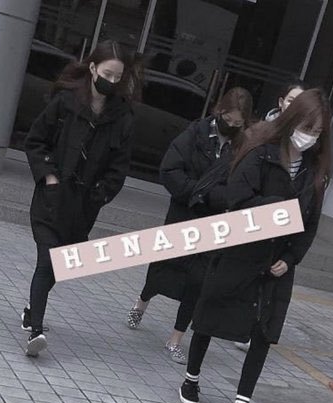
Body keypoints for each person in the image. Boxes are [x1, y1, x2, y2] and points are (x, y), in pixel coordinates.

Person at [178, 88, 332, 403]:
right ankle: (191, 378)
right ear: (292, 120)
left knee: (264, 331)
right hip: (241, 253)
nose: (310, 136)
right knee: (210, 315)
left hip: (276, 264)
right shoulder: (261, 153)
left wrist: (290, 258)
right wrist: (278, 209)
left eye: (318, 131)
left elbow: (310, 224)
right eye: (307, 127)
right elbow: (238, 201)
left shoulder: (314, 172)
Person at [22, 40, 142, 356]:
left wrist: (99, 196)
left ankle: (31, 309)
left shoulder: (123, 117)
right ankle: (35, 331)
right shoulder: (66, 102)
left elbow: (119, 167)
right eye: (107, 74)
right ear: (92, 68)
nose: (111, 81)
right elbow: (35, 141)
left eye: (118, 77)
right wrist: (48, 177)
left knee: (58, 266)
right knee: (47, 260)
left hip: (82, 207)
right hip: (51, 199)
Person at [126, 87, 254, 363]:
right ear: (219, 111)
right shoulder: (195, 134)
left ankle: (175, 339)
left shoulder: (242, 147)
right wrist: (196, 193)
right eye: (227, 120)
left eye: (237, 123)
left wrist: (214, 198)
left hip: (212, 222)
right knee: (161, 270)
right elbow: (170, 169)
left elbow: (240, 187)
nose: (231, 126)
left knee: (198, 282)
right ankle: (142, 301)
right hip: (182, 214)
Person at [234, 80, 307, 352]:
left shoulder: (306, 148)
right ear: (281, 102)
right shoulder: (262, 134)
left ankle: (251, 328)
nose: (295, 108)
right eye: (291, 101)